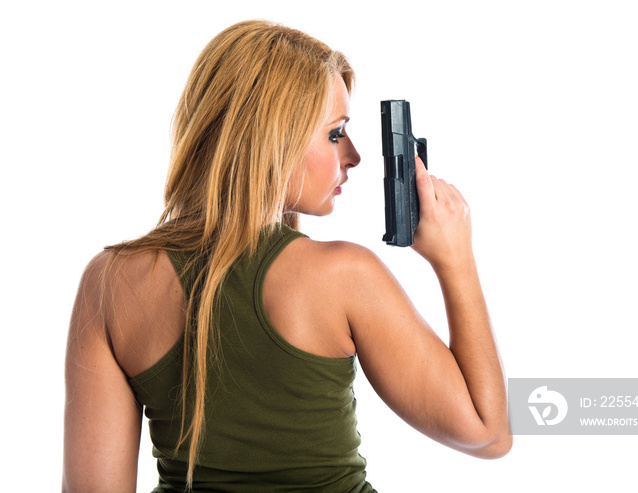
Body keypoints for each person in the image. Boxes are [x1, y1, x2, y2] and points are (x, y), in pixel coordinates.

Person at [62, 19, 511, 493]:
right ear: (273, 138)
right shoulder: (343, 276)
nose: (354, 155)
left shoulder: (109, 282)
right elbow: (488, 434)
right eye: (336, 133)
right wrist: (455, 259)